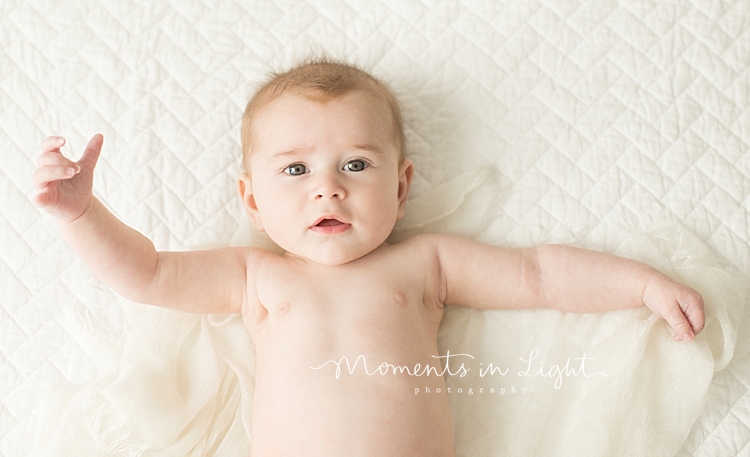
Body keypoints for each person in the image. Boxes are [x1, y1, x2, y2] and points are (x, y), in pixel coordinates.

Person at [32, 58, 705, 456]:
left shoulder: (425, 263)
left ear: (403, 186)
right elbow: (147, 273)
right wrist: (82, 213)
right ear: (252, 200)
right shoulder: (256, 275)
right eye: (294, 170)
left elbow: (540, 274)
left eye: (356, 163)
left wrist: (640, 285)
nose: (328, 185)